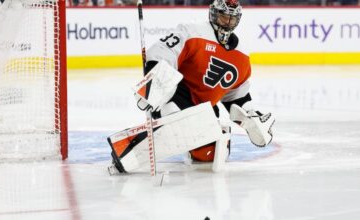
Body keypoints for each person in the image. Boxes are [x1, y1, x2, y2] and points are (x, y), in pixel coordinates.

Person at [109, 0, 275, 172]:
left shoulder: (242, 56)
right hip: (178, 96)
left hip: (205, 109)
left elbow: (237, 96)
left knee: (213, 154)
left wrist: (252, 117)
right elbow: (162, 51)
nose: (227, 22)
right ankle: (127, 151)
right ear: (213, 14)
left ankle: (190, 143)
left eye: (231, 19)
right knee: (176, 118)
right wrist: (155, 78)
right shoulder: (193, 31)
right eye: (223, 17)